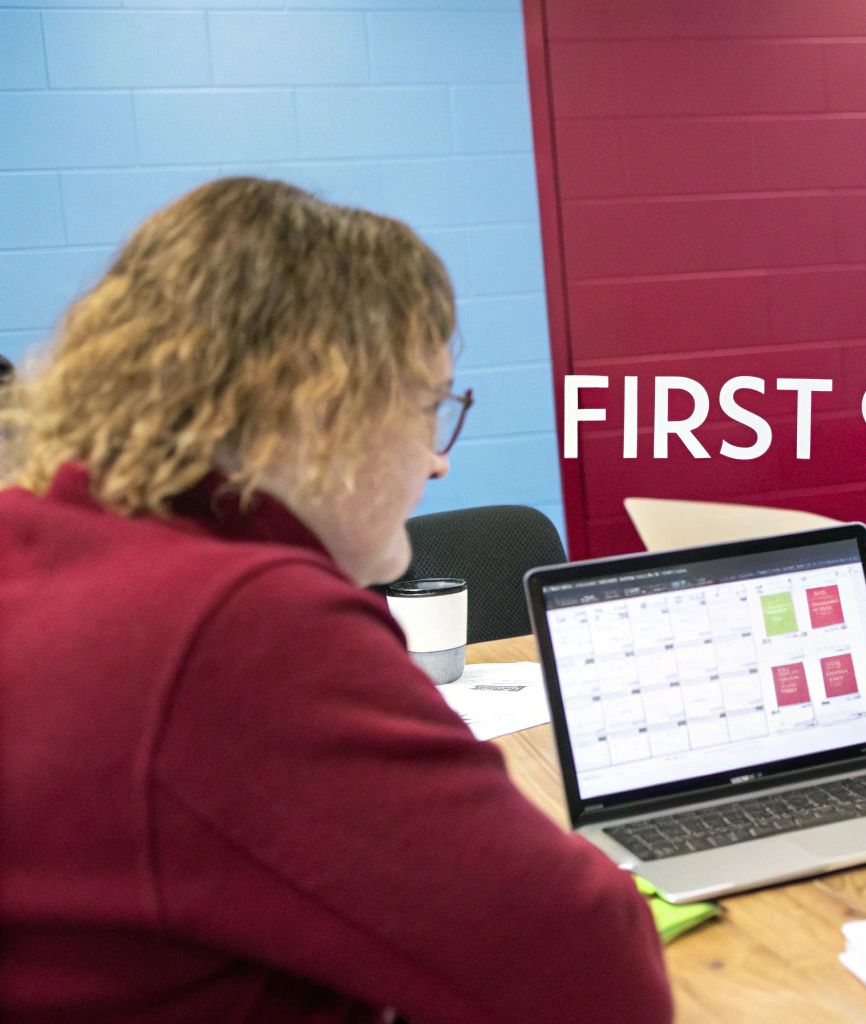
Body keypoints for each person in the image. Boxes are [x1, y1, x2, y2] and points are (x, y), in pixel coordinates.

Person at [0, 179, 672, 1022]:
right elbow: (594, 974)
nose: (439, 464)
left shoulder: (32, 540)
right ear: (325, 403)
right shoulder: (242, 621)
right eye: (431, 409)